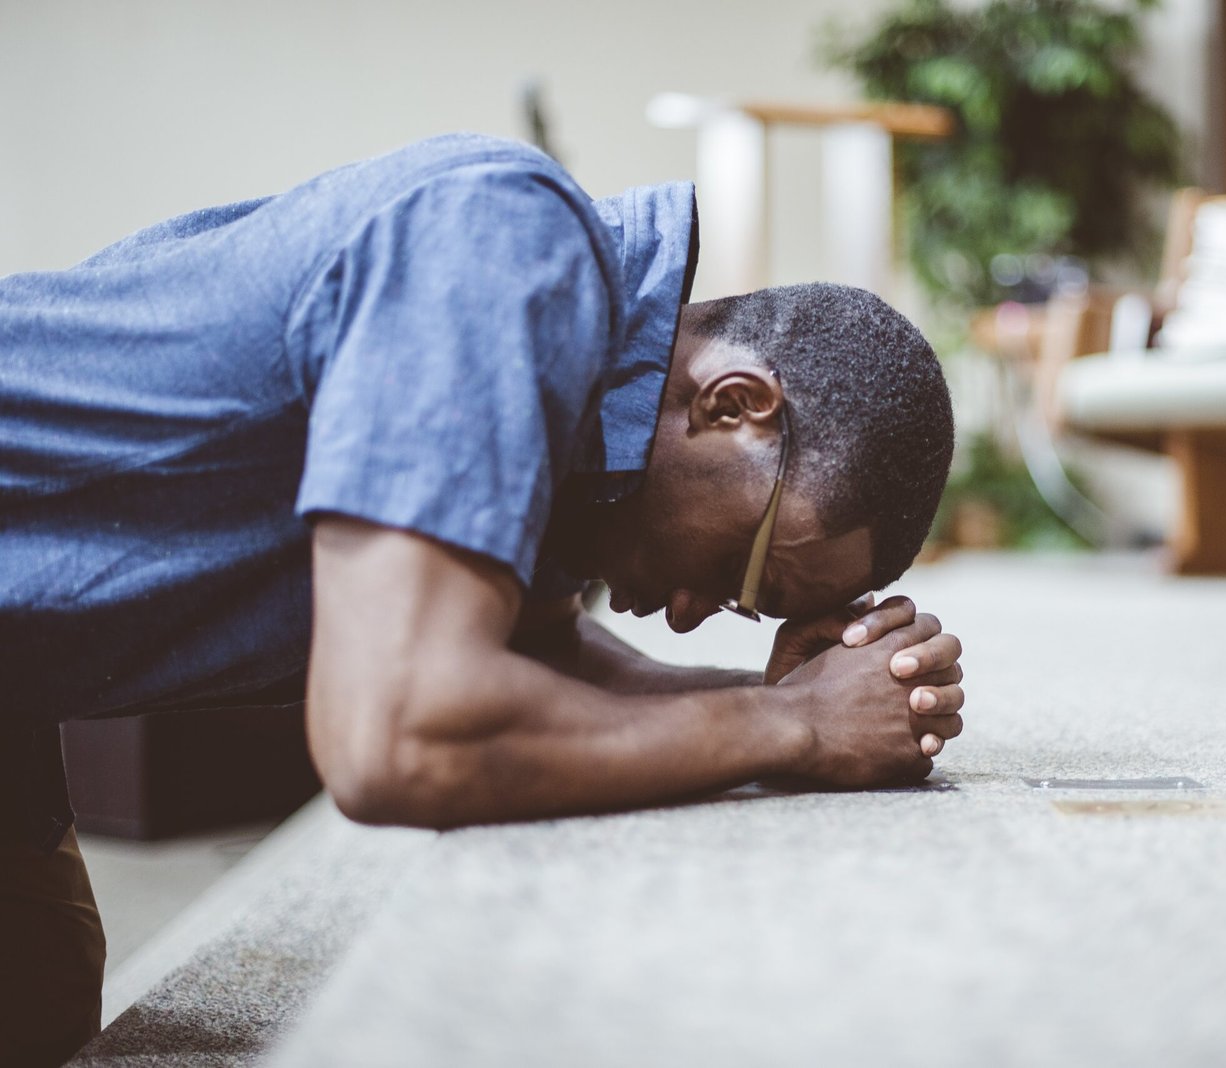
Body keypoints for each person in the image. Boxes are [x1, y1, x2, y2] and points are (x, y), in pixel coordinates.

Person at [0, 133, 964, 1065]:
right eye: (746, 579)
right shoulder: (500, 246)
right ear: (733, 406)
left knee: (42, 1002)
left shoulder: (582, 413)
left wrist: (793, 696)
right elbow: (399, 737)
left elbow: (539, 653)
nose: (687, 612)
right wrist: (786, 727)